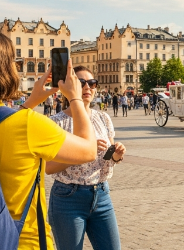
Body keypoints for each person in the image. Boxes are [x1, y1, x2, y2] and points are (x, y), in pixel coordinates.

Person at [0, 29, 97, 249]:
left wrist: (30, 102)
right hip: (20, 240)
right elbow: (88, 150)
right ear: (2, 69)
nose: (17, 67)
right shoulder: (29, 123)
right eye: (13, 61)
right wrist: (75, 98)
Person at [45, 66, 125, 250]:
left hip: (102, 195)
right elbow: (48, 167)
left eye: (92, 83)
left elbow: (106, 157)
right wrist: (82, 153)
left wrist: (115, 154)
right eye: (81, 83)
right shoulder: (56, 122)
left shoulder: (103, 118)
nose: (88, 87)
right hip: (68, 197)